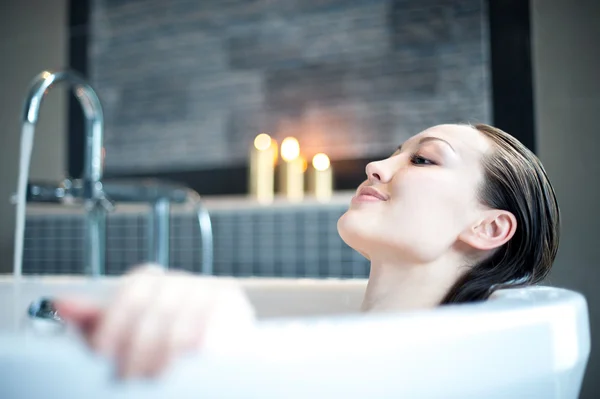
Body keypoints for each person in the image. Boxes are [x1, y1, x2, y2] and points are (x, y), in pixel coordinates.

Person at [55, 123, 560, 379]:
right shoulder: (350, 345)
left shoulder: (453, 375)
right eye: (394, 153)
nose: (378, 166)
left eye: (423, 159)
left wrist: (227, 338)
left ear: (489, 227)